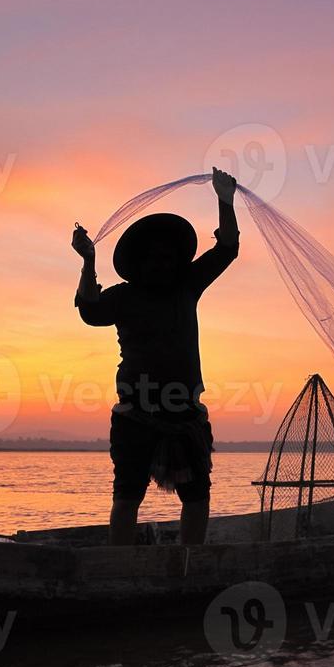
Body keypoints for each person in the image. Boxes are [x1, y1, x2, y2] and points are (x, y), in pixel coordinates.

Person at [72, 168, 240, 546]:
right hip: (136, 414)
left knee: (196, 495)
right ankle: (119, 570)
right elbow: (88, 309)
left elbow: (227, 248)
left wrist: (224, 199)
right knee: (127, 494)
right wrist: (87, 260)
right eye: (154, 258)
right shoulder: (124, 297)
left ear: (176, 261)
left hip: (185, 415)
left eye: (168, 257)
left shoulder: (187, 285)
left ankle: (190, 563)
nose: (162, 263)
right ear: (140, 264)